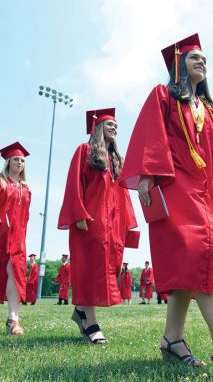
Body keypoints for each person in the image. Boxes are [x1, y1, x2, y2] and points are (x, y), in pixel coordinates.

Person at [120, 33, 213, 379]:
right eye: (192, 58)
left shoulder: (212, 110)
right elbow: (150, 134)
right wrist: (146, 176)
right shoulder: (164, 96)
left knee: (191, 262)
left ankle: (172, 340)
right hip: (175, 185)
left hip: (205, 191)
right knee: (204, 249)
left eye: (203, 58)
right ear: (178, 64)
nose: (201, 61)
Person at [58, 108, 138, 344]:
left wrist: (126, 224)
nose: (114, 128)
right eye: (109, 124)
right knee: (91, 270)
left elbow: (123, 196)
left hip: (112, 226)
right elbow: (74, 184)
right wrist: (78, 213)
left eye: (116, 125)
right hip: (89, 222)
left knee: (108, 269)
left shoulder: (115, 159)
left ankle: (81, 311)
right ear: (98, 128)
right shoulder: (84, 151)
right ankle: (91, 324)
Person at [0, 142, 31, 335]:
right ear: (8, 162)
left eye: (22, 160)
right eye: (16, 159)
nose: (19, 162)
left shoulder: (25, 188)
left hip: (18, 237)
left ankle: (13, 319)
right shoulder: (1, 183)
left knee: (16, 273)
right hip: (1, 233)